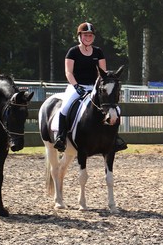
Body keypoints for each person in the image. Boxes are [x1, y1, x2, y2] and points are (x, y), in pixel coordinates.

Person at [54, 22, 127, 153]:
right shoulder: (73, 52)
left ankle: (115, 138)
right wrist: (76, 86)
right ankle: (61, 137)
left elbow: (103, 73)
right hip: (76, 86)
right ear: (80, 36)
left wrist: (99, 87)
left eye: (90, 35)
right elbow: (68, 72)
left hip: (95, 87)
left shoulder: (98, 52)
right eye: (85, 35)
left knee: (116, 109)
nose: (88, 37)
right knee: (65, 107)